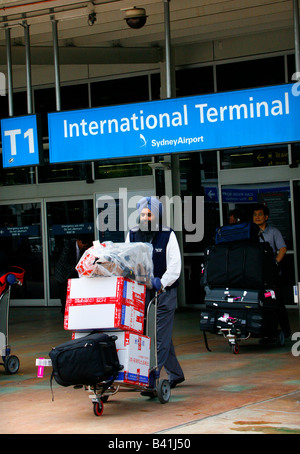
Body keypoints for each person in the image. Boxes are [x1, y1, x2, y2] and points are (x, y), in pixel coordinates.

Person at [126, 196, 185, 391]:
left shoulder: (168, 235)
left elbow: (175, 266)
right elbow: (127, 260)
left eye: (149, 214)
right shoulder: (133, 234)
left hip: (164, 293)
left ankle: (152, 377)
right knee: (153, 335)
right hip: (142, 294)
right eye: (142, 214)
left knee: (158, 336)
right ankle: (176, 373)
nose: (145, 218)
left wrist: (161, 283)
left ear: (156, 215)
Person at [252, 203, 291, 338]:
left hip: (272, 274)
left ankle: (286, 332)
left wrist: (275, 262)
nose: (257, 217)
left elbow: (283, 249)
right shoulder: (251, 233)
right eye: (255, 215)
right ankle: (266, 333)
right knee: (261, 304)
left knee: (277, 303)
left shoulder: (274, 232)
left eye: (260, 214)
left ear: (266, 217)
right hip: (257, 274)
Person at [55, 234, 92, 315]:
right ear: (79, 241)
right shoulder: (68, 246)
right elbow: (64, 262)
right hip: (63, 275)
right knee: (64, 297)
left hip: (72, 274)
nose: (84, 247)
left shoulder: (83, 249)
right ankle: (65, 315)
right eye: (83, 245)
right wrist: (78, 268)